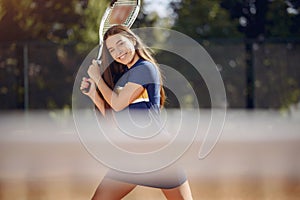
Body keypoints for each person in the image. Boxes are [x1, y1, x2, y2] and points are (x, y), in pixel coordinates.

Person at [80, 25, 193, 200]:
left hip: (160, 154)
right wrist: (94, 94)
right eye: (111, 49)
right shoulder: (126, 77)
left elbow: (117, 105)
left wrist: (96, 78)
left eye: (120, 44)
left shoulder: (145, 69)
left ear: (132, 40)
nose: (118, 52)